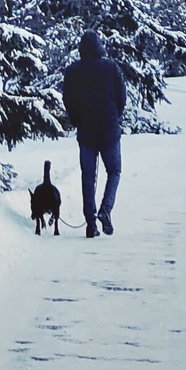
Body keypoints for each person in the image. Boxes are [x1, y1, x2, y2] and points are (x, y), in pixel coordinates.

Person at [60, 28, 127, 237]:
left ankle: (90, 223)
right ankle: (105, 210)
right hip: (109, 128)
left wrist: (76, 120)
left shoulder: (72, 71)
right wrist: (115, 116)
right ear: (99, 47)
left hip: (86, 131)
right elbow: (121, 96)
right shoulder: (111, 67)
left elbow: (68, 100)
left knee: (88, 176)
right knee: (114, 171)